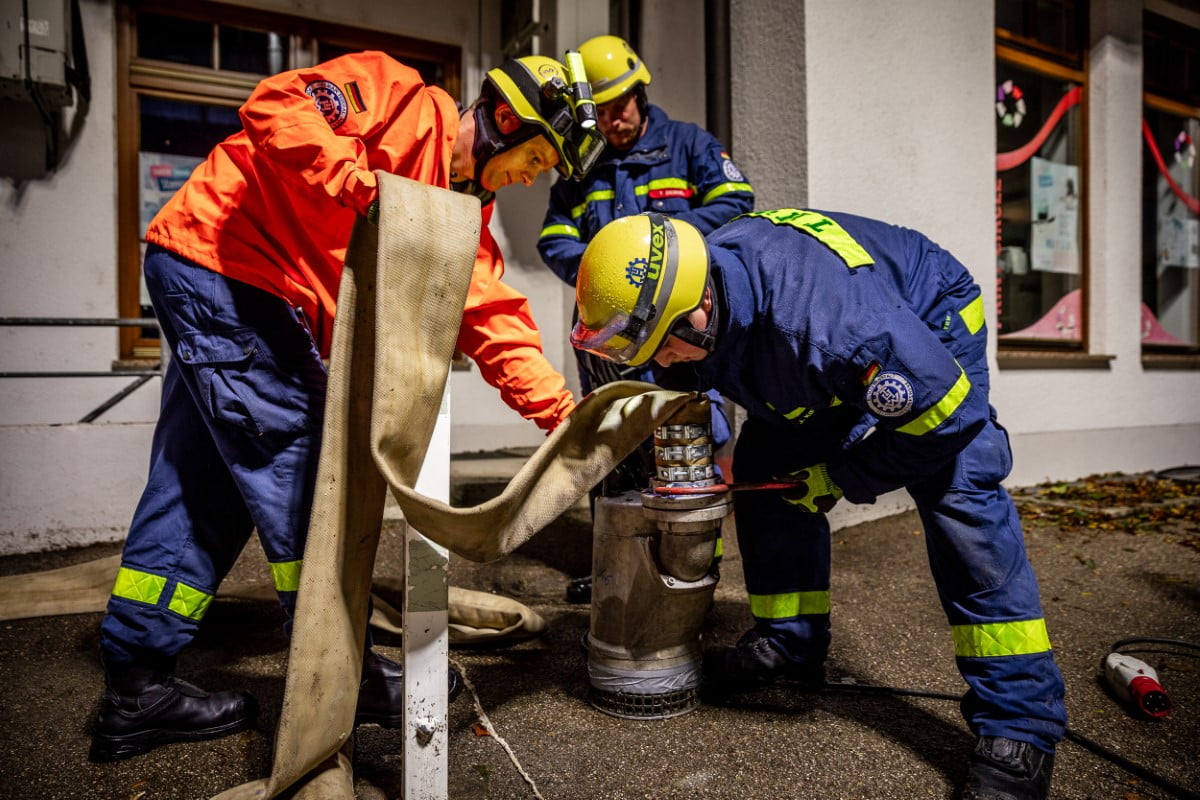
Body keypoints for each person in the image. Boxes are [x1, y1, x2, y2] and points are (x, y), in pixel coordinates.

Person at [90, 50, 602, 763]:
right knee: (313, 477)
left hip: (222, 275)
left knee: (199, 483)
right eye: (539, 155)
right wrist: (361, 186)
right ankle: (345, 675)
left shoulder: (458, 218)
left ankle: (136, 689)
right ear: (505, 120)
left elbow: (488, 316)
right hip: (229, 268)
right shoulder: (393, 97)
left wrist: (564, 418)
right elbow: (277, 105)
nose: (536, 176)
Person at [570, 210, 1067, 800]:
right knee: (767, 472)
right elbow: (687, 384)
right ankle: (791, 641)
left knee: (959, 493)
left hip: (927, 318)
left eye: (665, 347)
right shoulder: (696, 295)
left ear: (699, 311)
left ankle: (1020, 727)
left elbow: (948, 419)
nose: (664, 360)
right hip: (818, 350)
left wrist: (839, 475)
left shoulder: (836, 326)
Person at [537, 35, 753, 601]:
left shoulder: (689, 145)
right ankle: (616, 563)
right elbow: (555, 239)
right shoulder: (580, 172)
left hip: (680, 327)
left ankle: (698, 562)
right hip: (609, 337)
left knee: (687, 436)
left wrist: (662, 251)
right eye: (600, 113)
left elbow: (736, 203)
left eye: (620, 106)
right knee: (611, 443)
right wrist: (608, 271)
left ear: (640, 91)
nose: (613, 122)